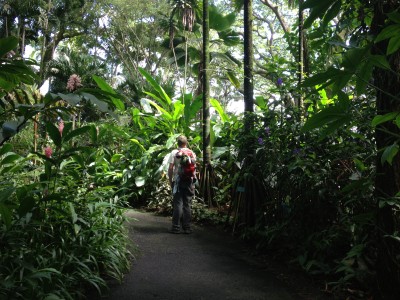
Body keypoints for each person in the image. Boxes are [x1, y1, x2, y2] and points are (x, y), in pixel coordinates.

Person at [168, 135, 196, 234]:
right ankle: (187, 227)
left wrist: (171, 181)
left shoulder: (174, 153)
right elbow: (194, 167)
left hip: (178, 181)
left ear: (177, 143)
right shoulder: (191, 153)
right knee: (187, 204)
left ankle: (176, 227)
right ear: (186, 143)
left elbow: (171, 168)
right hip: (189, 181)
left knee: (178, 204)